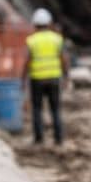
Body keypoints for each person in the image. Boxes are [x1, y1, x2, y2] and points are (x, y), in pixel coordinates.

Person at [23, 8, 68, 145]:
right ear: (49, 23)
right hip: (54, 78)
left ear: (35, 24)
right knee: (55, 109)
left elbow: (28, 61)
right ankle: (58, 138)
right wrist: (66, 75)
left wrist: (22, 78)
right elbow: (63, 58)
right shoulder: (57, 39)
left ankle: (39, 138)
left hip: (37, 78)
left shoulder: (31, 40)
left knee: (37, 109)